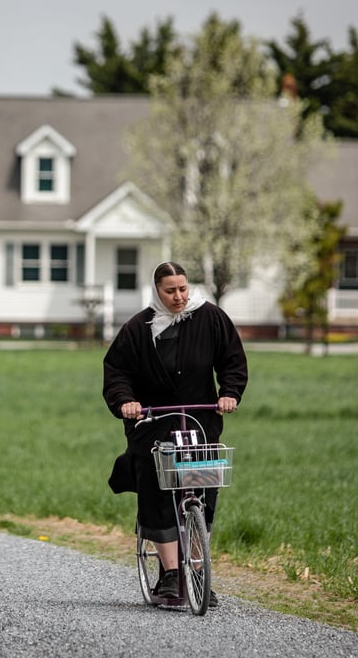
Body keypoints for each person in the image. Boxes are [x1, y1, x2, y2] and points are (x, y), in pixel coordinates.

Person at [102, 260, 248, 606]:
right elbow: (117, 371)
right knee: (155, 487)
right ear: (158, 291)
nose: (179, 296)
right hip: (153, 421)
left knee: (203, 489)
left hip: (200, 419)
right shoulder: (138, 328)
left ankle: (197, 569)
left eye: (183, 289)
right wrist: (126, 402)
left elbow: (233, 361)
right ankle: (169, 574)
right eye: (171, 291)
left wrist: (229, 393)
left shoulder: (211, 318)